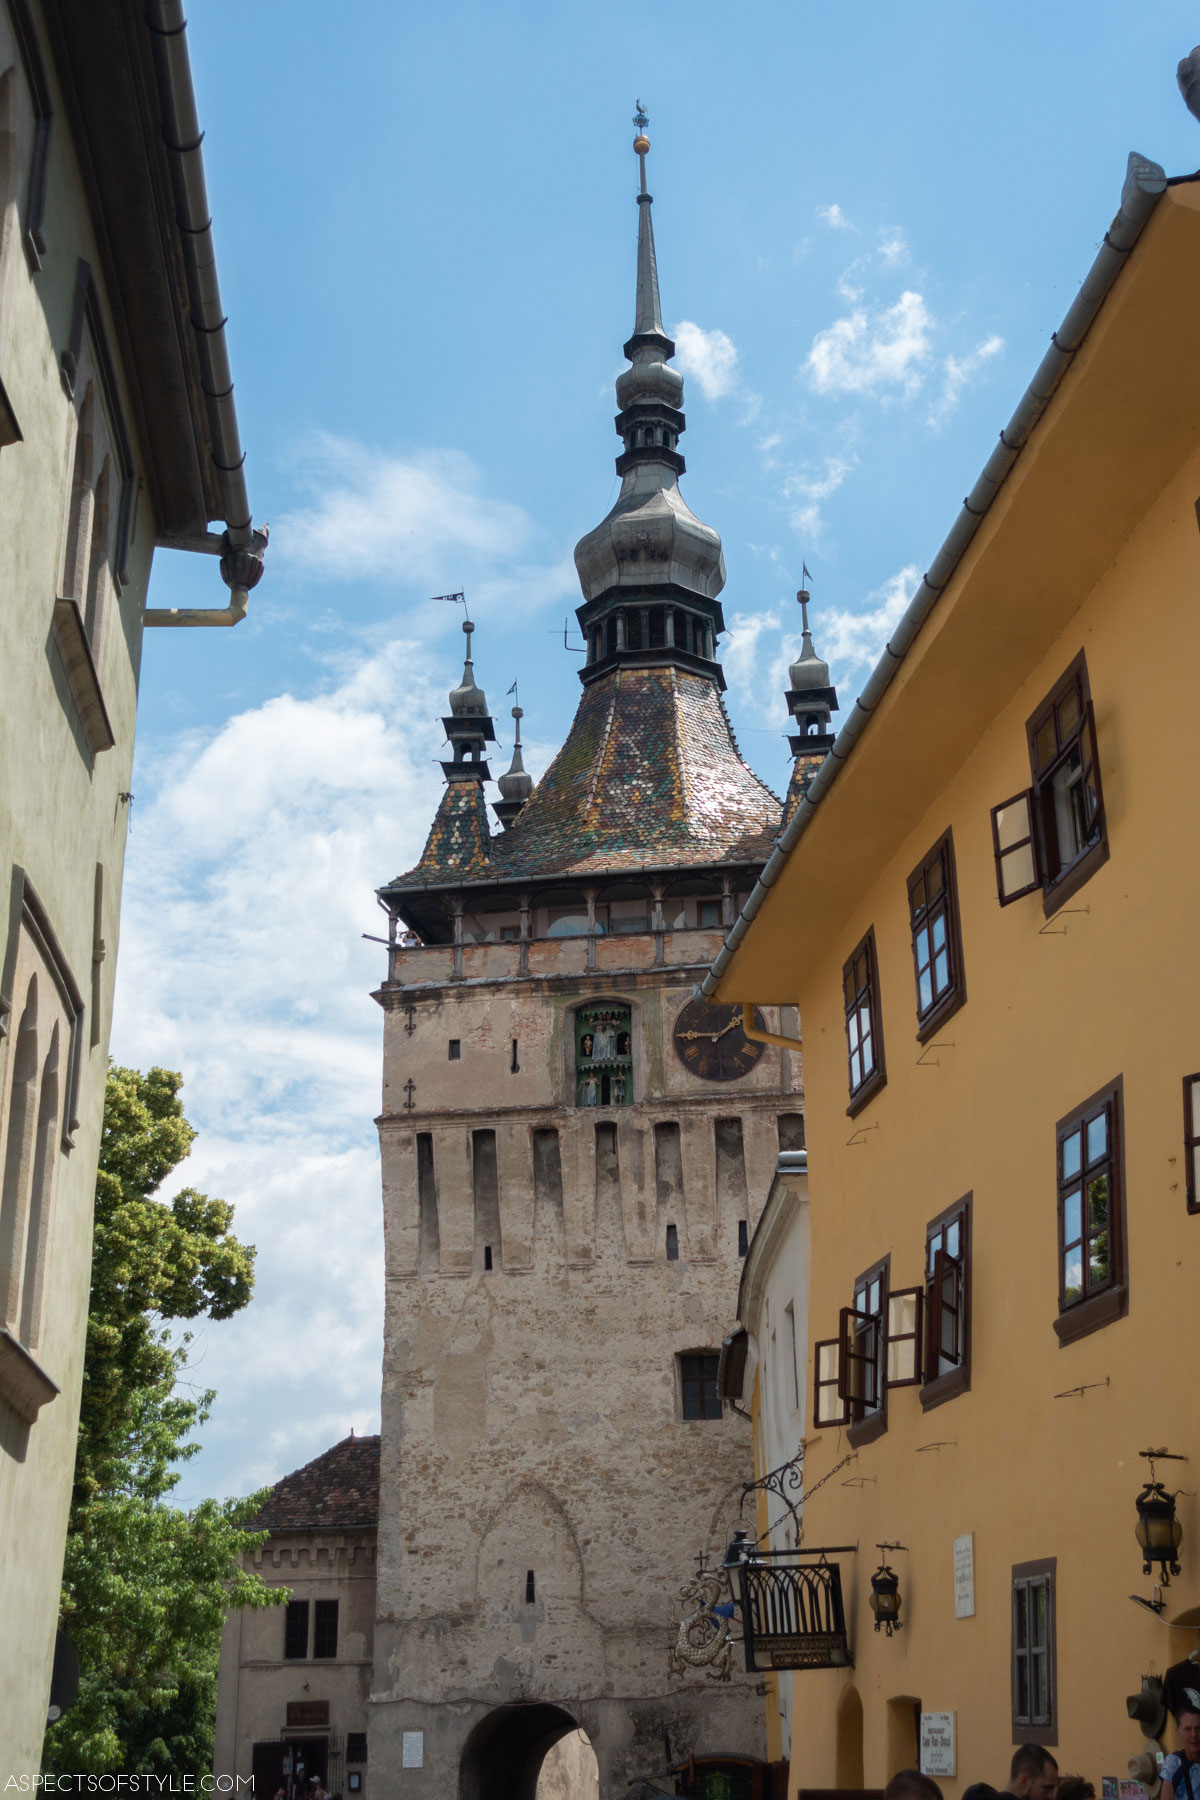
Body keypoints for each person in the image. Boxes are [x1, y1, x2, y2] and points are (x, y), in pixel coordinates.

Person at [1163, 1707, 1200, 1800]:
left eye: (1198, 1728)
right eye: (1188, 1729)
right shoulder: (1173, 1762)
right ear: (1177, 1732)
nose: (1194, 1735)